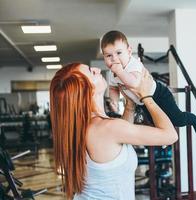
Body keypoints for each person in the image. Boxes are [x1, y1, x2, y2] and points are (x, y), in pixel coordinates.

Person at [50, 63, 177, 199]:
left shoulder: (84, 126)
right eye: (91, 72)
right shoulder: (107, 128)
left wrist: (129, 105)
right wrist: (146, 96)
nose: (97, 69)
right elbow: (170, 135)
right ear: (87, 90)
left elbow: (118, 144)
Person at [101, 30, 196, 136]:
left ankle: (194, 120)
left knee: (177, 119)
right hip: (143, 102)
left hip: (159, 94)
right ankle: (165, 137)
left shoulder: (133, 64)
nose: (114, 59)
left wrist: (119, 71)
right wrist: (114, 100)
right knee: (154, 122)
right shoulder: (111, 74)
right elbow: (113, 88)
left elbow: (134, 83)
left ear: (129, 52)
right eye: (108, 55)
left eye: (119, 53)